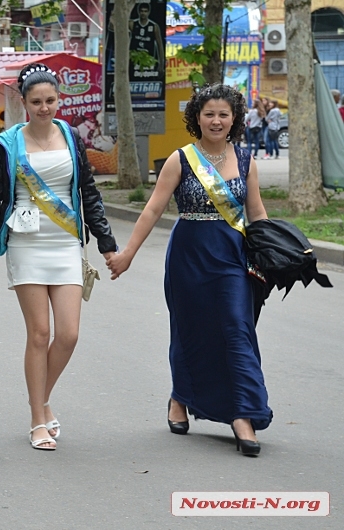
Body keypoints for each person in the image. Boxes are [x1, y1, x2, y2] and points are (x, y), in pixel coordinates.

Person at [0, 64, 118, 451]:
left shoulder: (71, 138)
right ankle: (38, 419)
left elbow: (88, 193)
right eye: (36, 102)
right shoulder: (9, 144)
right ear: (22, 103)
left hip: (66, 243)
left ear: (59, 101)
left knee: (69, 334)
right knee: (40, 333)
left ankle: (37, 397)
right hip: (26, 245)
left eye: (51, 101)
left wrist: (107, 244)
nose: (44, 108)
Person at [107, 84, 271, 457]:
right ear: (197, 117)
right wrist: (128, 253)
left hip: (232, 256)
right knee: (190, 330)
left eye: (223, 114)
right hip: (188, 256)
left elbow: (257, 212)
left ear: (234, 119)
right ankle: (180, 397)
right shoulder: (180, 159)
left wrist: (269, 250)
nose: (216, 120)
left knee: (237, 329)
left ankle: (242, 413)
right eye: (209, 113)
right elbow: (152, 209)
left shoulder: (246, 160)